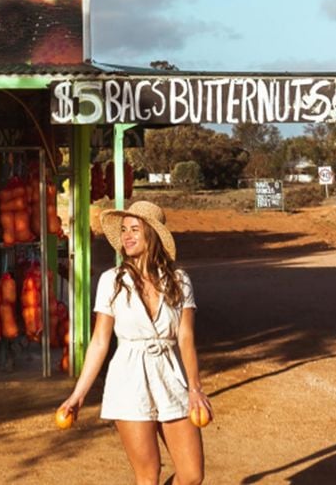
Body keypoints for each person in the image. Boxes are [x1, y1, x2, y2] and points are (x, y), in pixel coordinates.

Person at [58, 200, 209, 485]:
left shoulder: (179, 280)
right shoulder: (110, 281)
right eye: (124, 230)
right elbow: (100, 341)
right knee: (148, 476)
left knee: (191, 475)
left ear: (151, 234)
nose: (126, 236)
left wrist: (195, 388)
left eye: (134, 229)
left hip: (170, 376)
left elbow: (186, 337)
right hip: (128, 379)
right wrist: (77, 395)